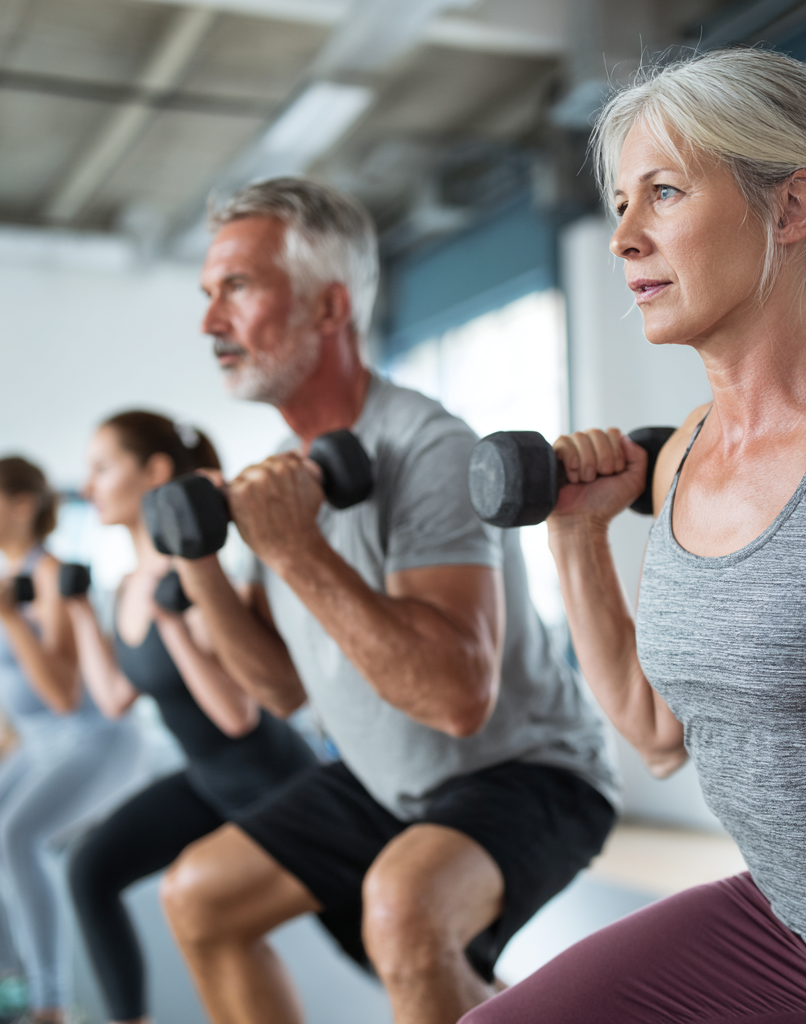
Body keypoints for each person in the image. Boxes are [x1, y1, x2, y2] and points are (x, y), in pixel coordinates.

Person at [460, 47, 806, 1024]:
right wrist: (576, 536)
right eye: (621, 202)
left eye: (664, 193)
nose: (623, 237)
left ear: (791, 209)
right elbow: (655, 733)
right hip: (787, 928)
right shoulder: (679, 457)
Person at [154, 178, 621, 1024]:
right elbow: (281, 688)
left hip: (526, 771)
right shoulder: (281, 477)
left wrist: (295, 547)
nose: (210, 323)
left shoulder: (429, 448)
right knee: (200, 895)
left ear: (329, 307)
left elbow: (455, 698)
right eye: (207, 294)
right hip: (386, 782)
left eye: (237, 288)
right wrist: (200, 566)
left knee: (403, 913)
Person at [64, 413, 317, 1024]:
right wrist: (76, 609)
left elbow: (238, 714)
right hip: (208, 784)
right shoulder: (129, 585)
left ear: (153, 472)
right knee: (90, 869)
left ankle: (501, 1000)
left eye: (103, 467)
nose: (88, 484)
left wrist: (174, 622)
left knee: (367, 940)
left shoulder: (199, 576)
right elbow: (116, 696)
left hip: (277, 781)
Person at [0, 457, 141, 1024]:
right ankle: (11, 981)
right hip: (38, 745)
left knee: (17, 838)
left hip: (94, 740)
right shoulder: (10, 578)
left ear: (23, 505)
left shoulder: (53, 578)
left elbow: (60, 693)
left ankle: (49, 1003)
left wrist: (9, 619)